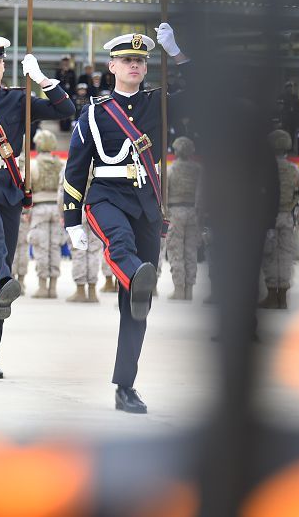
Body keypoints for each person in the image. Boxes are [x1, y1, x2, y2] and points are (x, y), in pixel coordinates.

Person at [63, 24, 190, 414]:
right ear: (112, 66)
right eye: (126, 60)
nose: (134, 65)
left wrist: (177, 53)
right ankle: (136, 273)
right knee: (120, 244)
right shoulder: (95, 113)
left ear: (146, 67)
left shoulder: (158, 104)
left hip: (147, 204)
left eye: (140, 60)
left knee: (137, 306)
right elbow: (76, 167)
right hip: (106, 197)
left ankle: (125, 386)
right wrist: (71, 220)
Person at [0, 35, 75, 379]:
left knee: (0, 269)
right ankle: (3, 281)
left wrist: (42, 80)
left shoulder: (19, 100)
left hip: (10, 189)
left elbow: (66, 111)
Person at [259, 129, 299, 309]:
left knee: (269, 255)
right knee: (285, 256)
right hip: (287, 216)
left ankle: (271, 295)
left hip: (269, 217)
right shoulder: (294, 170)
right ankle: (282, 297)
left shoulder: (264, 169)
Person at [28, 129, 67, 301]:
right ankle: (53, 287)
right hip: (57, 208)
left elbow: (28, 187)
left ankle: (43, 286)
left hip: (39, 208)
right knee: (55, 247)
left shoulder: (33, 164)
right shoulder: (61, 164)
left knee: (41, 248)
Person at [166, 136, 202, 301]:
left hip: (175, 212)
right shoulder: (198, 170)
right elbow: (202, 194)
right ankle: (189, 290)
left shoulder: (171, 169)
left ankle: (178, 289)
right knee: (191, 252)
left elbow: (165, 193)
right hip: (193, 212)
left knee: (176, 251)